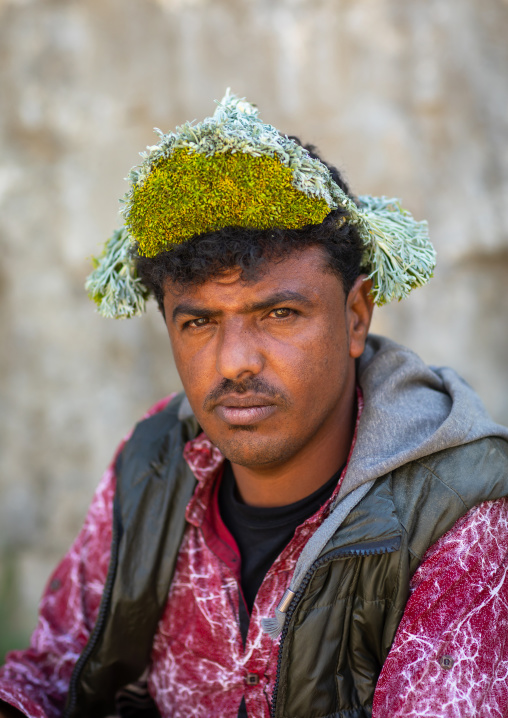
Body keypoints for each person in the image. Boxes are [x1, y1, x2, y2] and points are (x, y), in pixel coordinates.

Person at [1, 91, 507, 718]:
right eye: (199, 323)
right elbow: (48, 675)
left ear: (355, 316)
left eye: (279, 313)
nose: (235, 360)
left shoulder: (460, 511)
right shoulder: (156, 465)